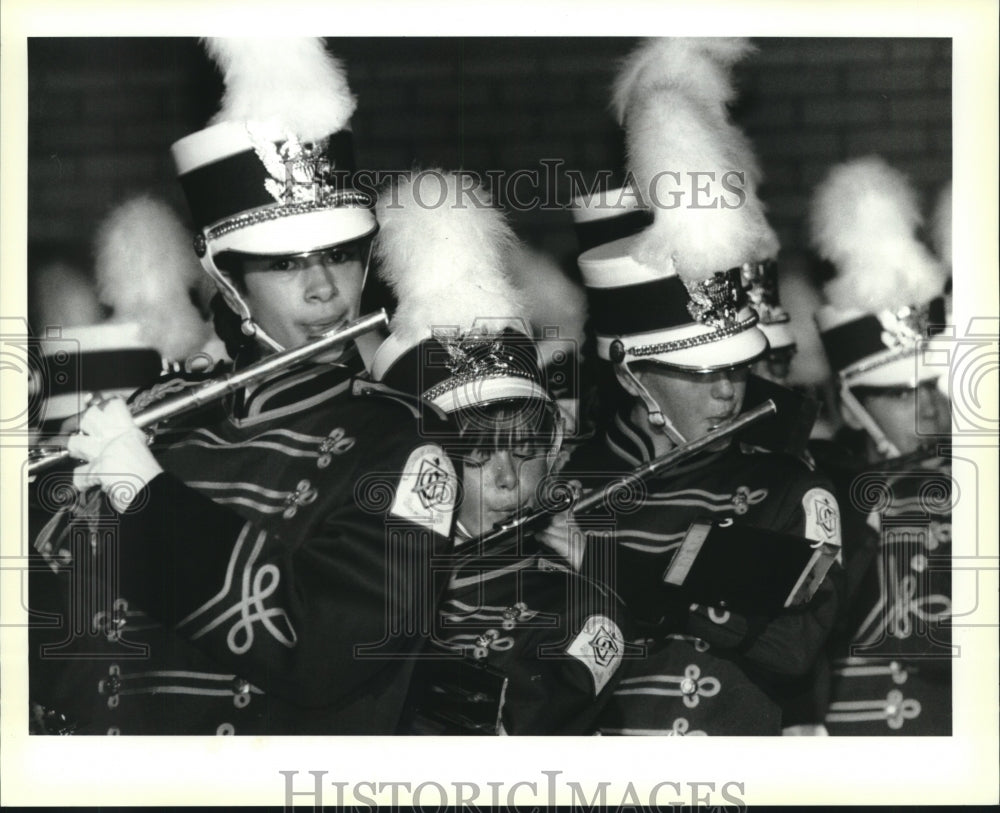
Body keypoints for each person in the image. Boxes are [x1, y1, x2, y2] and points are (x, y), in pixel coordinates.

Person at [27, 37, 457, 735]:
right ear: (229, 277)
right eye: (287, 265)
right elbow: (58, 655)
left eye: (343, 256)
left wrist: (149, 504)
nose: (325, 291)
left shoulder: (405, 443)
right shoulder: (159, 420)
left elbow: (324, 646)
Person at [558, 37, 842, 736]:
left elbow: (789, 647)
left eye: (735, 370)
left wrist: (604, 570)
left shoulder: (785, 488)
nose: (728, 394)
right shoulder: (562, 487)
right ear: (633, 375)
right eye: (701, 373)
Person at [369, 170, 627, 734]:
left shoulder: (576, 594)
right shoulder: (366, 574)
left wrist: (598, 581)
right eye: (479, 455)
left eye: (526, 450)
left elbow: (540, 714)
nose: (510, 482)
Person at [810, 157, 953, 735]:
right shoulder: (811, 493)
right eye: (900, 394)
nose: (930, 409)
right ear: (851, 406)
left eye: (933, 387)